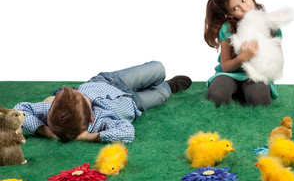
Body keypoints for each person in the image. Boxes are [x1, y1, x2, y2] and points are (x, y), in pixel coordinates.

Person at [14, 61, 192, 143]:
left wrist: (47, 132)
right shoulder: (102, 122)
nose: (82, 94)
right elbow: (127, 132)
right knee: (161, 94)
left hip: (110, 81)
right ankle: (170, 86)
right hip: (133, 102)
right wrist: (89, 137)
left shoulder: (51, 112)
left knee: (159, 68)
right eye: (83, 97)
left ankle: (158, 79)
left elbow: (19, 109)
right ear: (91, 117)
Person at [204, 0, 282, 107]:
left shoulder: (270, 25)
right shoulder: (228, 29)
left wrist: (263, 59)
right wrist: (243, 57)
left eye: (244, 0)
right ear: (229, 14)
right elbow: (226, 66)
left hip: (256, 75)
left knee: (260, 99)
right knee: (216, 95)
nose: (244, 9)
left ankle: (246, 92)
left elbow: (277, 60)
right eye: (235, 8)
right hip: (230, 74)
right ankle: (233, 90)